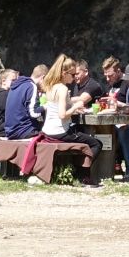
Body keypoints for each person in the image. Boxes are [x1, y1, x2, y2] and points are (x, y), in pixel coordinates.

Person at [40, 54, 106, 182]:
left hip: (48, 130)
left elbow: (54, 107)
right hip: (60, 132)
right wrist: (75, 108)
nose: (75, 77)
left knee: (81, 136)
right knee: (96, 143)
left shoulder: (50, 86)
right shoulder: (63, 89)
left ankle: (78, 172)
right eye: (72, 74)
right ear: (64, 73)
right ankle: (82, 175)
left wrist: (73, 106)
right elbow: (62, 115)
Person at [4, 64, 48, 140]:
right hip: (23, 131)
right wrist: (47, 106)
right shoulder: (31, 86)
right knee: (50, 135)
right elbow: (34, 113)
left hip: (10, 132)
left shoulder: (16, 85)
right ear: (43, 78)